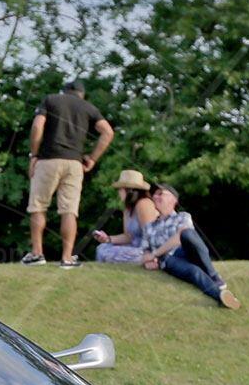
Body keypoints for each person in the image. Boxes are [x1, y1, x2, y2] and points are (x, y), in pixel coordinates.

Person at [23, 81, 113, 269]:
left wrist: (34, 154)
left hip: (48, 160)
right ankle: (67, 258)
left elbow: (38, 126)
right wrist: (93, 159)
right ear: (81, 94)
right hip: (74, 163)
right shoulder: (88, 107)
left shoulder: (51, 100)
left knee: (38, 206)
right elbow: (107, 132)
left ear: (64, 91)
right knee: (69, 210)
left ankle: (37, 254)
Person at [137, 183, 242, 309]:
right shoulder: (148, 227)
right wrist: (148, 261)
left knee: (187, 233)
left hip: (187, 251)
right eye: (154, 194)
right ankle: (221, 297)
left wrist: (154, 254)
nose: (156, 197)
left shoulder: (183, 217)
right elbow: (144, 254)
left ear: (174, 200)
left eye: (161, 194)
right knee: (194, 272)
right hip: (168, 260)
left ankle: (213, 275)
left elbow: (180, 238)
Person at [93, 169, 159, 264]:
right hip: (134, 247)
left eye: (120, 189)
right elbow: (128, 237)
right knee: (102, 248)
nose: (119, 192)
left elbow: (150, 234)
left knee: (106, 253)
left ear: (129, 190)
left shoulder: (144, 204)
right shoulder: (127, 209)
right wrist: (108, 239)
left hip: (147, 250)